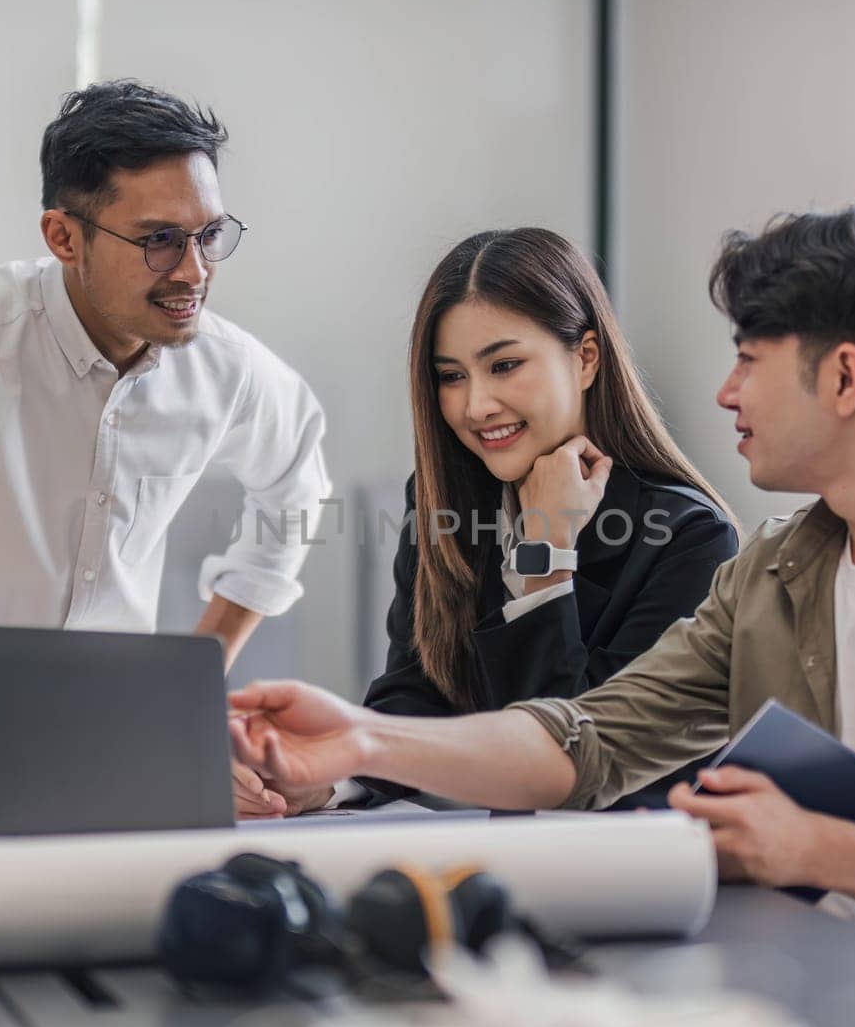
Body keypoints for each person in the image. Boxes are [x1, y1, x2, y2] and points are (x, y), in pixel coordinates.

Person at [228, 207, 855, 1005]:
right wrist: (359, 742)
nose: (725, 392)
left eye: (750, 359)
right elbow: (587, 740)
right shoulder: (774, 572)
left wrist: (813, 847)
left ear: (845, 377)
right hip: (803, 984)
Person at [0, 81, 330, 810]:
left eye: (209, 235)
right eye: (160, 239)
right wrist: (101, 735)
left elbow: (299, 483)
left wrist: (194, 676)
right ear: (64, 238)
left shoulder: (226, 366)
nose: (194, 271)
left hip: (123, 751)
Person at [239, 228, 738, 817]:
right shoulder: (446, 502)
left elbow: (574, 764)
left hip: (614, 875)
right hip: (485, 857)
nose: (475, 406)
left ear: (584, 358)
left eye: (504, 365)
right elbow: (418, 692)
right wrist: (328, 781)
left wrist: (546, 550)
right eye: (451, 376)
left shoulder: (688, 536)